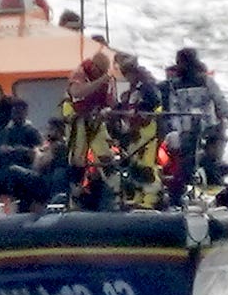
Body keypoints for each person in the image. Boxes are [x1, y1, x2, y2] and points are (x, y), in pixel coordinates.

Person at [161, 46, 228, 205]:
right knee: (185, 166)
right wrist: (178, 130)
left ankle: (219, 193)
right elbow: (175, 110)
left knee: (210, 162)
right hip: (187, 131)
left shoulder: (206, 81)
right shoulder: (174, 86)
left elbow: (221, 103)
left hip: (210, 129)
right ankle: (178, 197)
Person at [63, 51, 117, 210]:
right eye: (97, 70)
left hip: (95, 120)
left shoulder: (107, 79)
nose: (99, 74)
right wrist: (100, 81)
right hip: (77, 120)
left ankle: (115, 192)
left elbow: (111, 101)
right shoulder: (80, 73)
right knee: (77, 158)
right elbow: (77, 92)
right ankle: (75, 196)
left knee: (106, 155)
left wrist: (107, 109)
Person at [111, 52, 164, 209]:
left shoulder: (147, 86)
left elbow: (154, 103)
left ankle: (151, 198)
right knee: (135, 164)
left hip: (146, 130)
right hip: (134, 131)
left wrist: (140, 112)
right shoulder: (133, 90)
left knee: (146, 165)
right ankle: (138, 195)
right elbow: (125, 106)